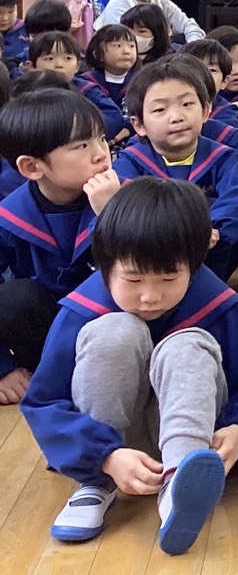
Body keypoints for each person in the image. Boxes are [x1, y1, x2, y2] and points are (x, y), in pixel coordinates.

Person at [21, 178, 238, 551]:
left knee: (187, 344)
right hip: (112, 447)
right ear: (105, 266)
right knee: (114, 332)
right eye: (133, 278)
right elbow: (44, 402)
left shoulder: (216, 306)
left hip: (196, 438)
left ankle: (180, 483)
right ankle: (96, 484)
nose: (150, 295)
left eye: (169, 277)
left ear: (194, 266)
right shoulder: (81, 312)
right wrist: (104, 457)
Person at [0, 91, 120, 405]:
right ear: (31, 167)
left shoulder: (125, 196)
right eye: (81, 146)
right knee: (14, 297)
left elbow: (150, 267)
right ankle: (56, 380)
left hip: (116, 328)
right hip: (48, 337)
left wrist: (112, 214)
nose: (101, 154)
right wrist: (3, 369)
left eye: (101, 139)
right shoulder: (10, 217)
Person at [111, 58, 238, 282]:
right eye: (160, 109)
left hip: (210, 252)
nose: (177, 117)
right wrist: (179, 232)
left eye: (187, 104)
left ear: (206, 110)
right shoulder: (130, 162)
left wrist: (211, 228)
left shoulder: (223, 157)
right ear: (139, 125)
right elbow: (124, 208)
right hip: (151, 256)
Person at [29, 33, 130, 143]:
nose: (59, 65)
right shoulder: (27, 91)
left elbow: (113, 115)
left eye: (67, 58)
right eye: (49, 58)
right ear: (32, 66)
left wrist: (81, 133)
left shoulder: (85, 90)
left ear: (77, 66)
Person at [81, 25, 138, 109]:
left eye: (131, 46)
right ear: (99, 54)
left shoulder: (140, 81)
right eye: (118, 45)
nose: (126, 51)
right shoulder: (86, 82)